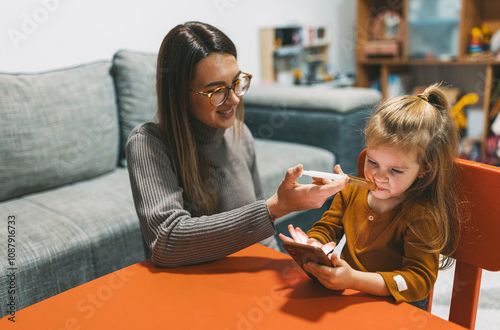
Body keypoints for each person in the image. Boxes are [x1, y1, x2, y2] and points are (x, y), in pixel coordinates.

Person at [126, 21, 347, 268]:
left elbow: (263, 237)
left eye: (236, 82)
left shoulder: (240, 136)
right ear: (180, 94)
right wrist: (274, 208)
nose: (233, 99)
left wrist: (286, 269)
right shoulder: (148, 143)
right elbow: (167, 242)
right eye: (216, 90)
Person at [280, 84, 461, 310]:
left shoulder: (421, 215)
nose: (378, 176)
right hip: (349, 302)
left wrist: (354, 279)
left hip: (395, 311)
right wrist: (313, 244)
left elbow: (418, 282)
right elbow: (327, 227)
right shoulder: (351, 191)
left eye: (395, 170)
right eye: (372, 162)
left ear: (424, 169)